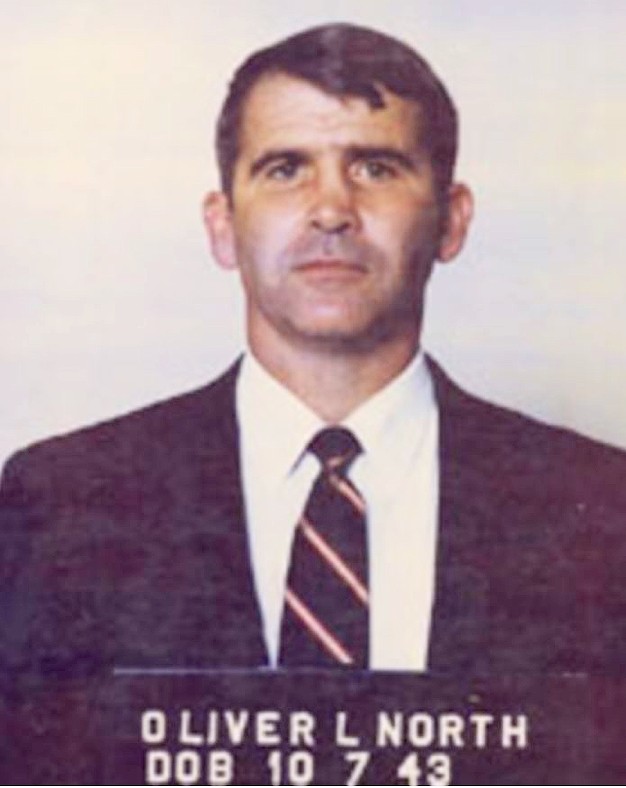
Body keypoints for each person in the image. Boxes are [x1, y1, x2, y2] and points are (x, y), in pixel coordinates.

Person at [1, 23, 626, 681]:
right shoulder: (61, 505)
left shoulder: (600, 507)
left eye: (375, 168)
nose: (331, 210)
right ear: (223, 225)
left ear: (452, 220)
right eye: (285, 169)